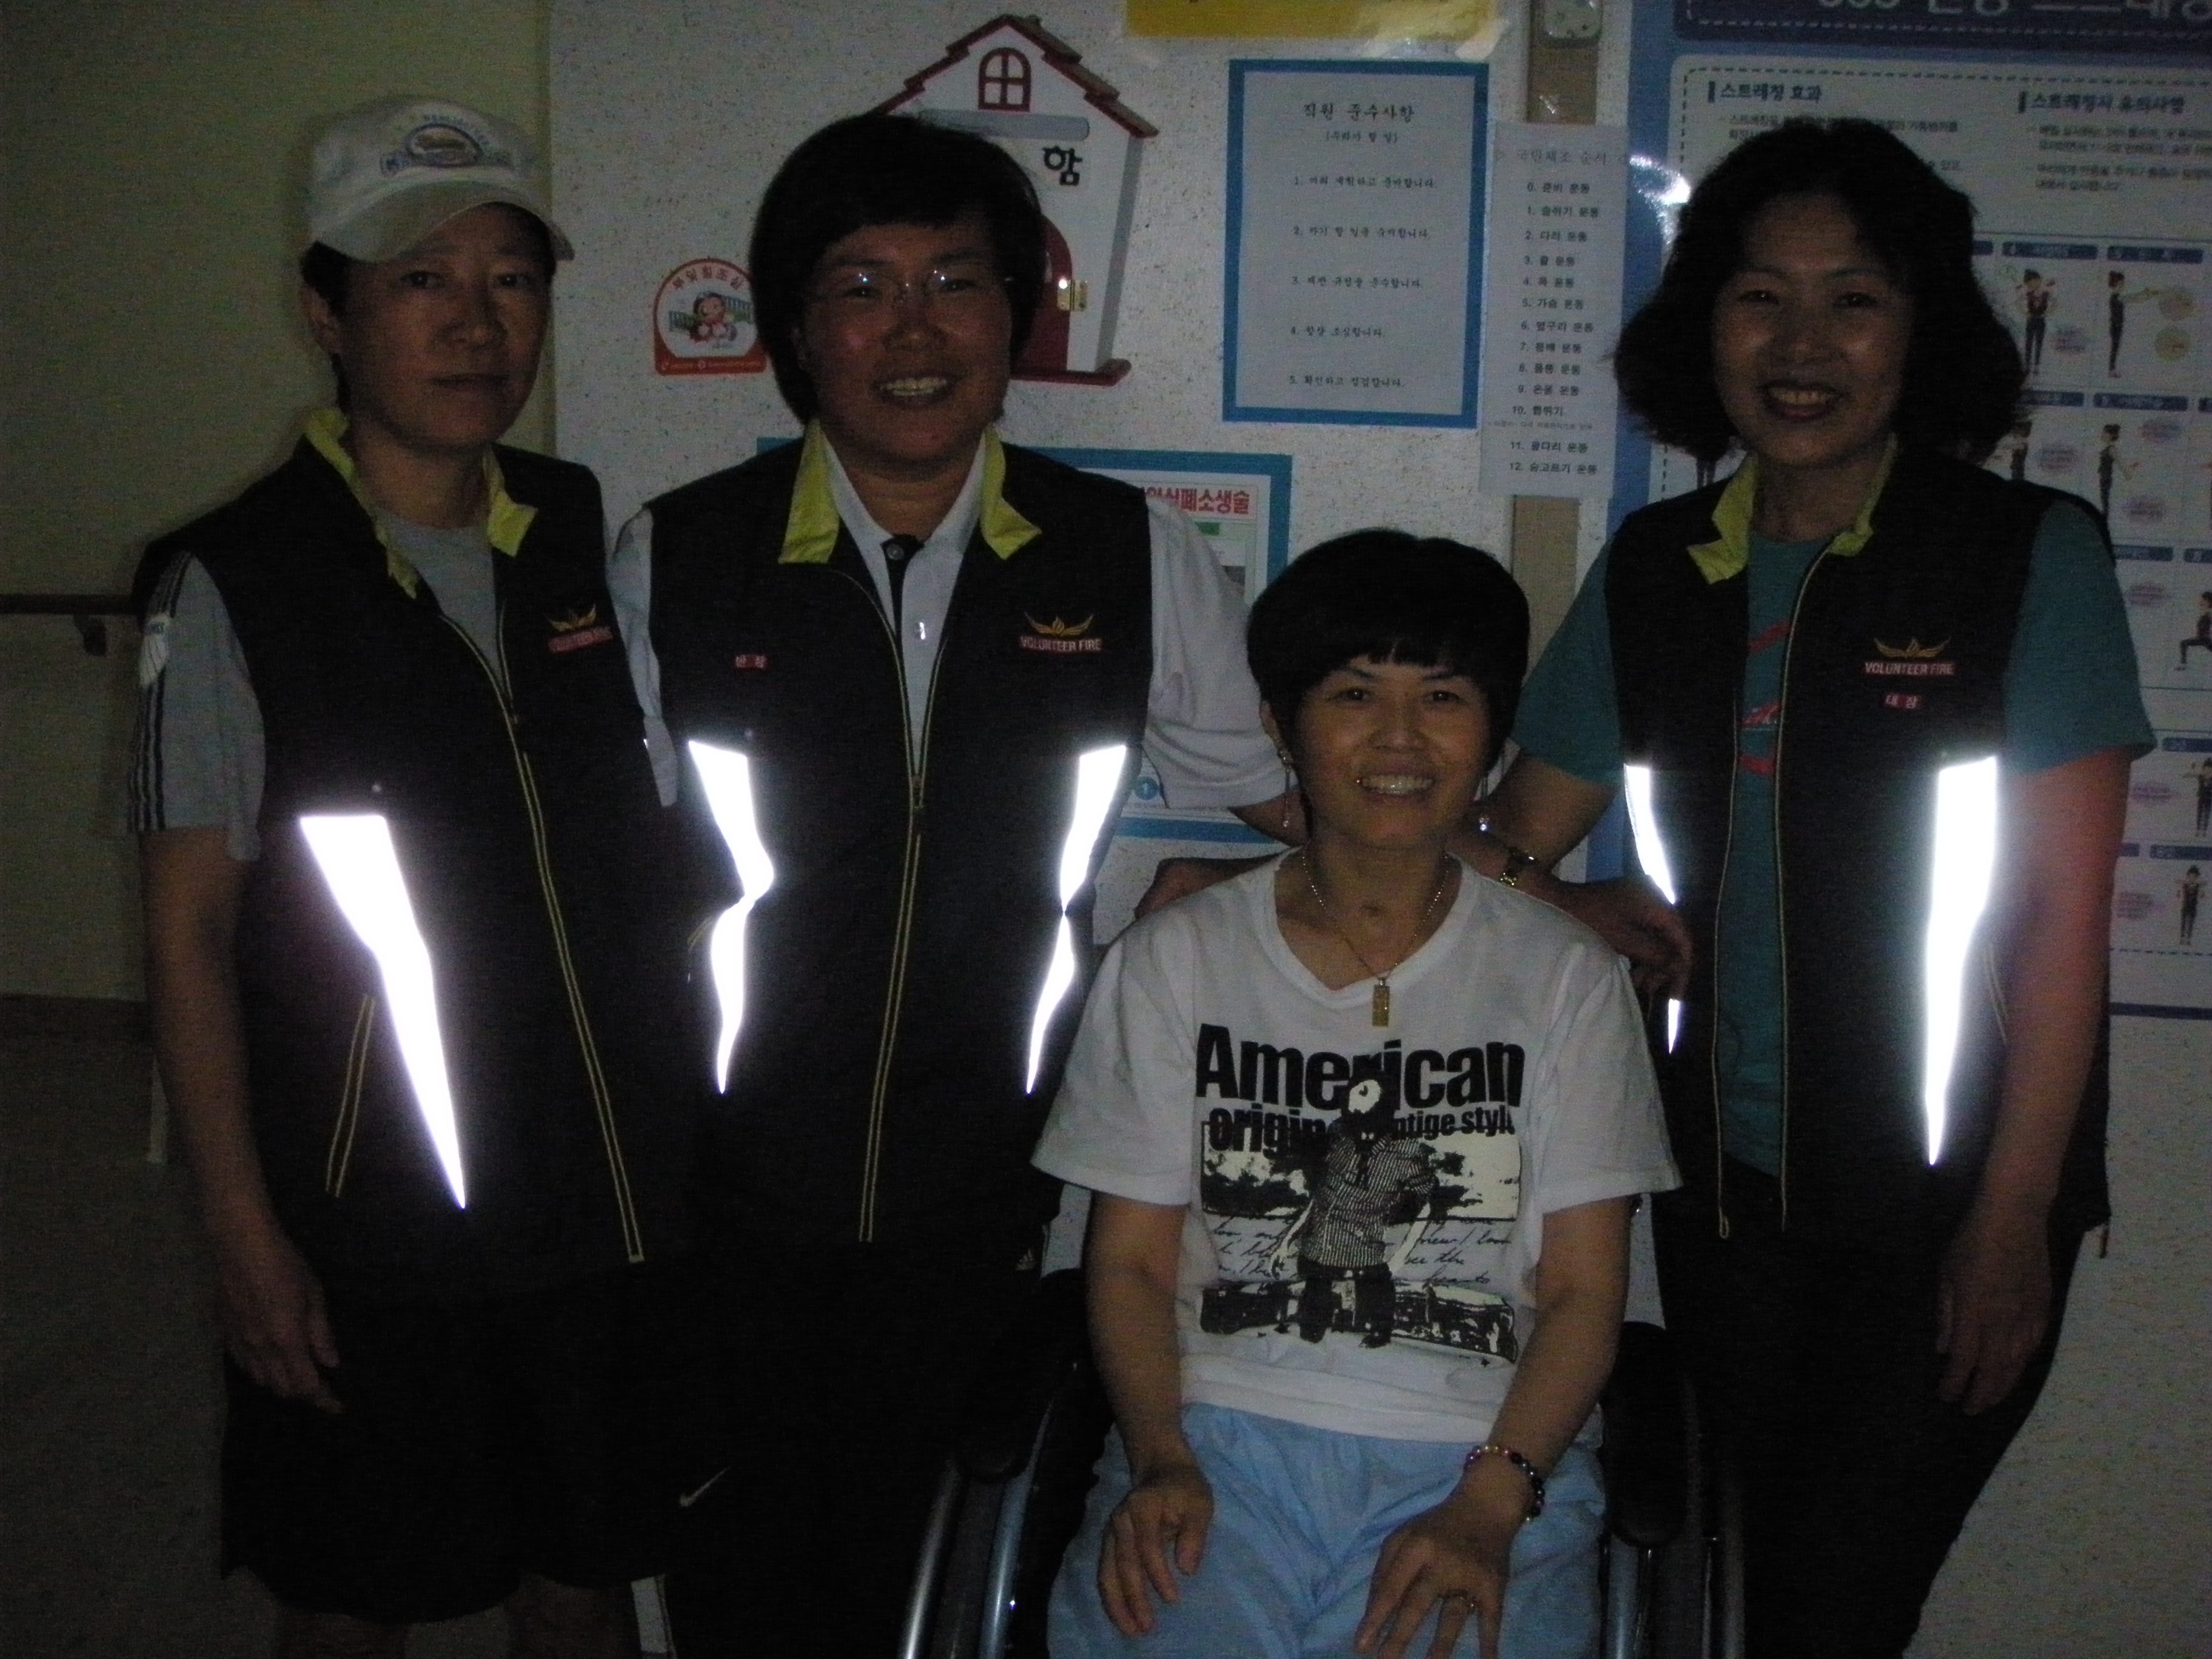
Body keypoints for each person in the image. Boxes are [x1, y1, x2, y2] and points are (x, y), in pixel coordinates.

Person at [611, 112, 1292, 1657]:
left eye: (956, 283)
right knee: (744, 1576)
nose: (913, 332)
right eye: (861, 288)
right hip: (726, 1184)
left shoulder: (1119, 553)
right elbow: (599, 861)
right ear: (797, 331)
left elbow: (1308, 797)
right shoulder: (686, 555)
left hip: (995, 1186)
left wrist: (1511, 879)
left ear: (1017, 318)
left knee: (945, 1566)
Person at [1483, 118, 2151, 1657]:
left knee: (1832, 1612)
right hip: (1724, 1207)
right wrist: (1545, 891)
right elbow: (1510, 839)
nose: (1802, 346)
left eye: (1854, 300)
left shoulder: (2021, 557)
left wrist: (2014, 1217)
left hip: (1954, 1208)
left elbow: (2065, 922)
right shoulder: (1656, 570)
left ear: (1922, 331)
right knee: (1727, 1601)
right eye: (1758, 298)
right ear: (1703, 325)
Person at [132, 98, 712, 1659]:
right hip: (375, 1221)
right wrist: (243, 1237)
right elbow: (188, 940)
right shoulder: (241, 579)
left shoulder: (576, 536)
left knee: (586, 1575)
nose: (476, 323)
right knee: (356, 1593)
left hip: (597, 1197)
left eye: (511, 279)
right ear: (325, 311)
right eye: (420, 281)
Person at [1034, 532, 1678, 1659]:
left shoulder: (1566, 976)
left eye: (1443, 697)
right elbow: (1130, 1262)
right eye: (1352, 694)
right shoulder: (1177, 958)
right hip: (1217, 1438)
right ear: (1282, 728)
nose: (1399, 738)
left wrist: (1490, 1503)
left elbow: (1584, 1292)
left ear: (1493, 734)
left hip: (1483, 1451)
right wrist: (1162, 1458)